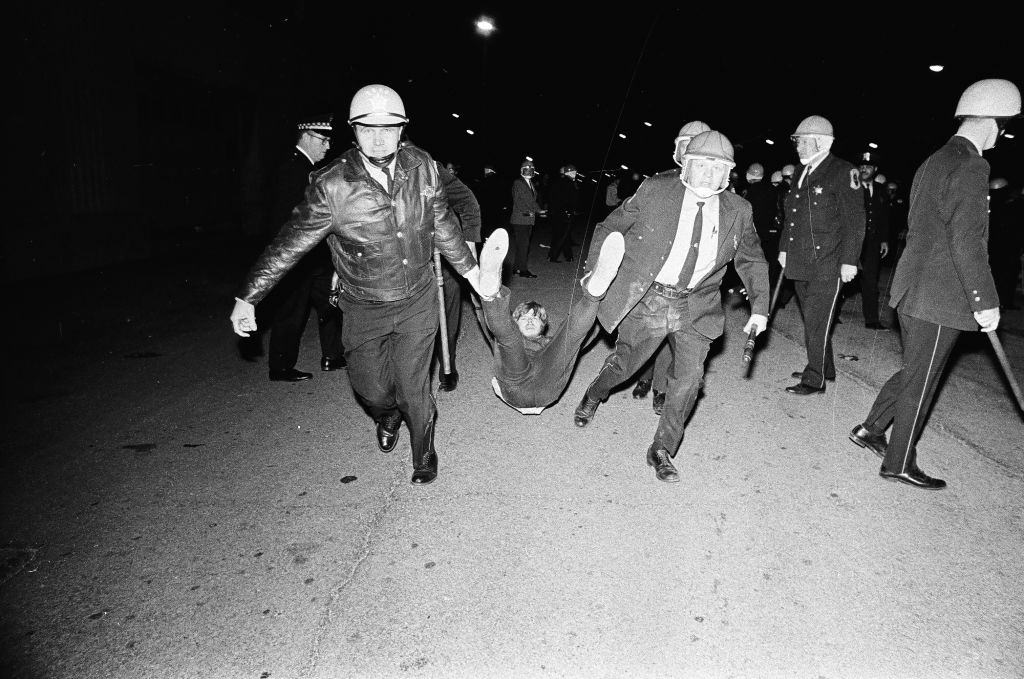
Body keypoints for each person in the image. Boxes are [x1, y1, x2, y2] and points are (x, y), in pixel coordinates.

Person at [230, 84, 483, 486]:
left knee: (414, 384)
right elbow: (288, 243)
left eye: (388, 128)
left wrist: (472, 273)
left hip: (417, 297)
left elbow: (442, 225)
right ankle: (387, 415)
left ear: (402, 129)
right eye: (368, 129)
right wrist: (249, 295)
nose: (379, 137)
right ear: (354, 130)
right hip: (364, 304)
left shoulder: (425, 168)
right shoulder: (331, 185)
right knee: (373, 389)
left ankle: (424, 450)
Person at [849, 78, 1020, 490]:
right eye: (1005, 124)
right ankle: (899, 462)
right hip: (940, 293)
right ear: (991, 121)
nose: (1005, 132)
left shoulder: (935, 159)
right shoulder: (972, 165)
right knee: (923, 380)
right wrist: (984, 299)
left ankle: (871, 429)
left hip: (913, 287)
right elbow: (968, 241)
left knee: (916, 369)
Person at [572, 130, 770, 484]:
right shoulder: (656, 190)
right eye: (703, 165)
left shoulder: (739, 210)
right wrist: (595, 273)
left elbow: (752, 260)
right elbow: (609, 227)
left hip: (698, 304)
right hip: (652, 298)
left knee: (689, 379)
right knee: (626, 364)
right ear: (686, 166)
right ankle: (595, 392)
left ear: (729, 174)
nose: (710, 175)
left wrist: (760, 307)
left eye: (719, 168)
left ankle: (661, 448)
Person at [476, 228, 625, 413]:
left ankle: (594, 293)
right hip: (515, 384)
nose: (530, 321)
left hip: (547, 383)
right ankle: (490, 292)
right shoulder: (507, 338)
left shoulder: (549, 343)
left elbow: (584, 332)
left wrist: (601, 307)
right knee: (508, 338)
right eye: (524, 317)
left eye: (536, 318)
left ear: (544, 326)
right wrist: (474, 275)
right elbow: (484, 316)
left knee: (569, 337)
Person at [778, 115, 865, 395]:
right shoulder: (803, 171)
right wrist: (783, 248)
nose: (798, 147)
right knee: (814, 319)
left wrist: (850, 260)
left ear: (821, 142)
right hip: (802, 260)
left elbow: (855, 220)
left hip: (829, 262)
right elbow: (791, 216)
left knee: (816, 321)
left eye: (803, 141)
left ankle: (814, 378)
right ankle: (824, 366)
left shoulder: (843, 171)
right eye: (797, 142)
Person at [632, 120, 711, 410]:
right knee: (648, 330)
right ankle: (642, 375)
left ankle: (661, 387)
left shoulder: (713, 190)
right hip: (655, 272)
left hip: (689, 277)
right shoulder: (659, 183)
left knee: (673, 334)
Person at [261, 114, 345, 381]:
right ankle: (280, 367)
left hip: (315, 257)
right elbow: (286, 219)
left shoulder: (308, 169)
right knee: (291, 310)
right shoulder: (292, 169)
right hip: (298, 255)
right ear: (306, 137)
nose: (327, 146)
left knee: (331, 301)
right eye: (323, 140)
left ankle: (332, 355)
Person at [431, 155, 483, 392]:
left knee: (447, 316)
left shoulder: (428, 167)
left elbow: (468, 201)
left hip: (441, 255)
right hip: (397, 264)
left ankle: (447, 367)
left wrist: (470, 242)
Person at [856, 151, 891, 329]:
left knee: (870, 281)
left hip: (872, 244)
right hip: (853, 242)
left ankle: (871, 319)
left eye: (868, 166)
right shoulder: (851, 188)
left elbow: (883, 217)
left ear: (875, 169)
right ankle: (832, 315)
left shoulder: (880, 191)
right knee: (843, 280)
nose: (864, 169)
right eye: (862, 166)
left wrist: (884, 240)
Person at [743, 161, 782, 291]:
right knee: (770, 265)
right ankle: (768, 291)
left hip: (755, 234)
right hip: (772, 234)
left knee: (754, 264)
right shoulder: (772, 189)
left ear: (749, 174)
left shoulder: (749, 192)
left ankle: (754, 290)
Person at [509, 159, 545, 278]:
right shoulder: (518, 183)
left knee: (522, 245)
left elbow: (531, 200)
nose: (529, 172)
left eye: (531, 170)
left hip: (527, 219)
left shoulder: (530, 183)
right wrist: (538, 210)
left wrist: (538, 210)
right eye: (527, 169)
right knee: (524, 245)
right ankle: (523, 270)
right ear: (522, 171)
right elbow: (524, 201)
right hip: (521, 219)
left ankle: (516, 268)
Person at [546, 164, 581, 263]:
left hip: (557, 213)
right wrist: (569, 211)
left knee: (564, 235)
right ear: (568, 173)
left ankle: (568, 256)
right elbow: (570, 199)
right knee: (561, 236)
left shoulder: (559, 182)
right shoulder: (568, 183)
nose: (574, 174)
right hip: (564, 213)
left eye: (575, 172)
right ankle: (552, 256)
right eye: (573, 172)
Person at [474, 164, 507, 239]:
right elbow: (503, 194)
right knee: (496, 227)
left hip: (486, 209)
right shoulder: (499, 181)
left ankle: (487, 241)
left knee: (487, 228)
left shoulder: (483, 182)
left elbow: (479, 196)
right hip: (497, 209)